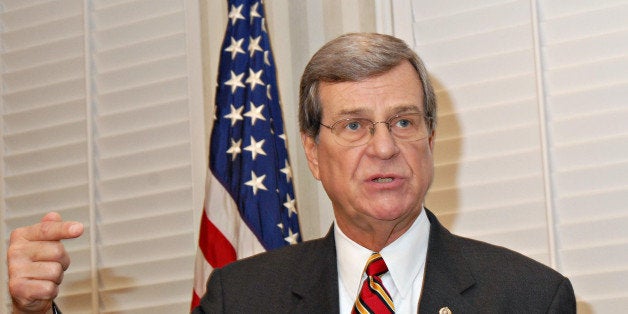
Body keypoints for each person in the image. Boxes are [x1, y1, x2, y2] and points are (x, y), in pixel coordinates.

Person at [8, 33, 576, 313]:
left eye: (402, 121)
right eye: (354, 126)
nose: (383, 147)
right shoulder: (241, 298)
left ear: (430, 136)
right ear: (311, 151)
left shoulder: (529, 297)